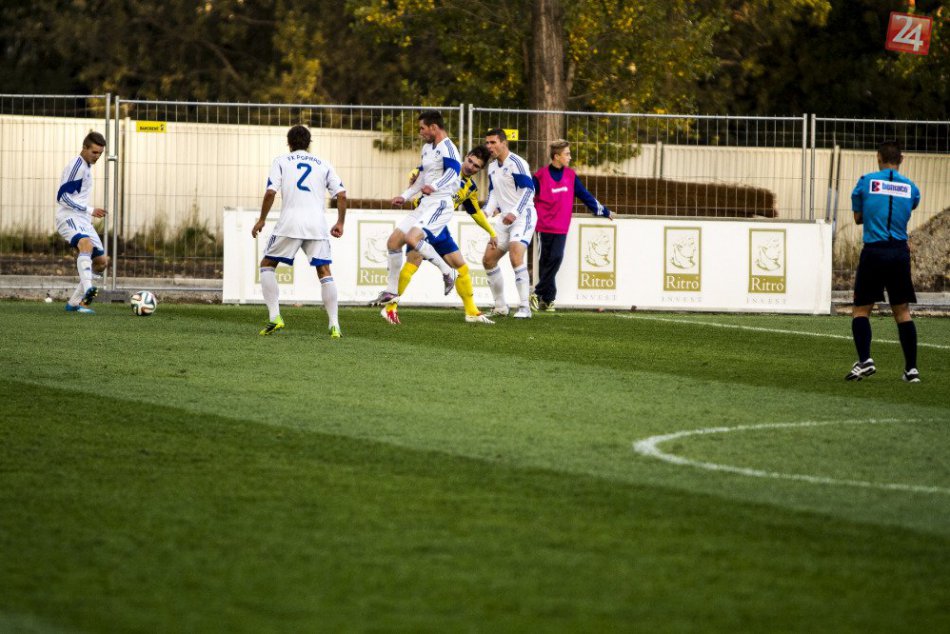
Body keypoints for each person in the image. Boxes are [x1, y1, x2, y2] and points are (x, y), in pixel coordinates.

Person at [382, 145, 496, 325]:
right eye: (470, 161)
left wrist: (491, 232)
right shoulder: (448, 168)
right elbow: (420, 172)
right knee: (413, 263)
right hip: (424, 220)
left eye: (476, 166)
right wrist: (413, 174)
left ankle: (471, 312)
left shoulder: (470, 188)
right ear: (466, 157)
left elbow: (475, 213)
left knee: (462, 267)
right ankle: (390, 307)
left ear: (480, 170)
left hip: (440, 226)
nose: (470, 167)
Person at [251, 125, 347, 338]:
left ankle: (275, 317)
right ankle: (335, 326)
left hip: (290, 224)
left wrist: (262, 219)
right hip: (317, 225)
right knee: (324, 272)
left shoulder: (282, 161)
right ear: (308, 143)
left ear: (289, 143)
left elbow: (270, 193)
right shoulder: (324, 163)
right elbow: (341, 195)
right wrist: (340, 222)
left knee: (267, 265)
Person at [845, 140, 922, 383]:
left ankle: (865, 360)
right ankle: (911, 370)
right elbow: (908, 210)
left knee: (861, 309)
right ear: (902, 159)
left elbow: (858, 217)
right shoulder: (911, 188)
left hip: (875, 250)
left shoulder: (865, 182)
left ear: (878, 157)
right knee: (902, 311)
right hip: (899, 251)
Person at [373, 110, 461, 310]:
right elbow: (421, 178)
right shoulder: (427, 148)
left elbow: (453, 173)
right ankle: (392, 290)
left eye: (422, 128)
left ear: (434, 127)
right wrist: (404, 196)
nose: (420, 132)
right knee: (393, 242)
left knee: (413, 238)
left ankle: (448, 271)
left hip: (440, 203)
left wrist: (436, 186)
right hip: (425, 204)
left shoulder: (449, 148)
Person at [531, 139, 613, 312]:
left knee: (556, 258)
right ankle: (548, 300)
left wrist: (604, 211)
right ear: (557, 156)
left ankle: (536, 293)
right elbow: (526, 195)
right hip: (543, 227)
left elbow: (584, 195)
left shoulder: (570, 176)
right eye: (567, 154)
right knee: (546, 263)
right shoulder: (540, 176)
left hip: (561, 227)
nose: (570, 157)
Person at [480, 128, 537, 319]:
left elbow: (529, 191)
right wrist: (487, 210)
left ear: (504, 143)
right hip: (505, 218)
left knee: (515, 255)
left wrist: (515, 212)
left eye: (493, 142)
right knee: (488, 260)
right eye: (487, 143)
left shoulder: (517, 163)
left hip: (523, 216)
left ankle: (524, 307)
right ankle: (500, 306)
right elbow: (494, 193)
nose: (489, 146)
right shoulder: (493, 166)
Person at [56, 131, 110, 314]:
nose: (97, 156)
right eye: (94, 152)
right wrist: (90, 209)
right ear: (84, 148)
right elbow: (62, 197)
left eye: (100, 153)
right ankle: (88, 290)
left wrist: (88, 213)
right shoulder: (77, 166)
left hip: (82, 219)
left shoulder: (87, 166)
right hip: (68, 217)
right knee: (85, 244)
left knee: (101, 262)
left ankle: (74, 303)